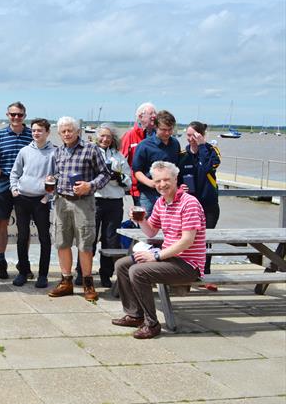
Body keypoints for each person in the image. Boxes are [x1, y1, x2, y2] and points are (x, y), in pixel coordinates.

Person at [113, 161, 206, 339]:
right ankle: (134, 315)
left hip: (188, 264)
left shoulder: (189, 203)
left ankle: (152, 324)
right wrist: (140, 220)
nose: (161, 184)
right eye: (157, 181)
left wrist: (155, 255)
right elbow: (151, 231)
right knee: (122, 265)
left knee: (138, 271)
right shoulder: (161, 203)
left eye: (166, 180)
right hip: (170, 259)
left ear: (175, 179)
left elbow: (187, 241)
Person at [47, 116, 110, 302]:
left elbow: (105, 174)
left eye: (70, 130)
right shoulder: (57, 152)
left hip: (84, 202)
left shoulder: (91, 149)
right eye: (63, 131)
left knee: (85, 243)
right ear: (59, 134)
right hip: (61, 201)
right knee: (62, 242)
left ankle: (87, 283)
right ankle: (66, 281)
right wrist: (50, 182)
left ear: (78, 132)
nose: (67, 134)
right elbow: (54, 175)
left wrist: (89, 186)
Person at [75, 124, 131, 287]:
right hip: (94, 200)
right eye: (102, 136)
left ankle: (106, 274)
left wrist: (118, 177)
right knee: (88, 238)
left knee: (111, 240)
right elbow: (83, 175)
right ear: (96, 136)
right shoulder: (89, 152)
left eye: (108, 136)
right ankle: (82, 273)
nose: (105, 139)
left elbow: (128, 181)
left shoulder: (119, 156)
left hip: (114, 201)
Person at [9, 118, 55, 289]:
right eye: (34, 130)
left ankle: (43, 275)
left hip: (41, 200)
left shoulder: (54, 153)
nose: (36, 133)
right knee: (22, 237)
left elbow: (57, 177)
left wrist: (47, 197)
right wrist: (14, 189)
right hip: (22, 199)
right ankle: (23, 271)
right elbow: (15, 172)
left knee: (44, 238)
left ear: (47, 132)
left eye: (40, 130)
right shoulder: (24, 151)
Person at [0, 101, 32, 281]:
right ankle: (2, 261)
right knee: (2, 223)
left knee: (24, 226)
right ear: (7, 115)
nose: (16, 118)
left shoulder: (32, 135)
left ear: (24, 116)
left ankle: (24, 262)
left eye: (20, 115)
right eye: (13, 114)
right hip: (3, 184)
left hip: (26, 186)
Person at [179, 121, 221, 290]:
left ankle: (205, 275)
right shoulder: (182, 154)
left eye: (194, 135)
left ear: (202, 135)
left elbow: (209, 167)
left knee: (206, 241)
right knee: (187, 240)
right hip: (189, 206)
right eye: (188, 135)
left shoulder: (211, 151)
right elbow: (175, 177)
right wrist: (180, 188)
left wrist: (202, 145)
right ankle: (186, 274)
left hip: (209, 205)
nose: (191, 139)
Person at [132, 110, 180, 216]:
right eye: (163, 130)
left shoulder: (175, 144)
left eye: (170, 129)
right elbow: (137, 171)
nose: (167, 133)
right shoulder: (144, 145)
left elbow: (176, 168)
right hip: (148, 194)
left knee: (170, 225)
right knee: (146, 224)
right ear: (155, 127)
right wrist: (151, 183)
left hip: (170, 193)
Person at [120, 102, 156, 206]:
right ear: (141, 116)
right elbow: (120, 159)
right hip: (138, 187)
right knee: (142, 217)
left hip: (158, 186)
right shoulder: (130, 135)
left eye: (155, 113)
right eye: (151, 113)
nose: (154, 116)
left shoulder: (158, 136)